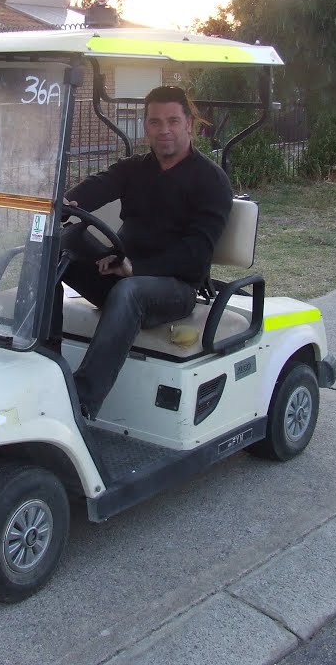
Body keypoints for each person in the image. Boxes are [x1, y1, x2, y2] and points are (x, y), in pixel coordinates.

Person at [57, 85, 232, 420]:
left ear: (188, 126)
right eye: (155, 122)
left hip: (175, 289)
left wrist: (135, 267)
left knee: (130, 290)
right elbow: (98, 186)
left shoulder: (211, 181)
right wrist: (67, 203)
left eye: (172, 121)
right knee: (61, 242)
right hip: (123, 273)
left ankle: (82, 403)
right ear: (146, 126)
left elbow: (196, 253)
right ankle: (44, 360)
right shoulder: (136, 168)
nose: (163, 129)